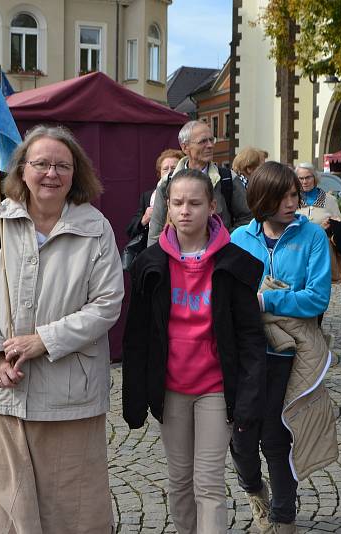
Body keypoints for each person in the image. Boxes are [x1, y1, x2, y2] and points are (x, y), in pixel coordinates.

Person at [0, 125, 124, 533]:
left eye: (61, 166)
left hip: (73, 398)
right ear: (22, 170)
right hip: (7, 395)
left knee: (73, 511)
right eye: (41, 164)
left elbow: (107, 305)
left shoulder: (95, 227)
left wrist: (44, 341)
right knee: (7, 511)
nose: (51, 173)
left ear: (75, 173)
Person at [122, 168, 266, 534]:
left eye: (195, 203)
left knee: (208, 481)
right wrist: (135, 396)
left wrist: (249, 399)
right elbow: (136, 338)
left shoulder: (232, 264)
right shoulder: (150, 264)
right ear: (167, 207)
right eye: (178, 203)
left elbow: (250, 337)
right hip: (170, 388)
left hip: (215, 387)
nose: (186, 210)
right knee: (180, 479)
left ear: (212, 206)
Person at [229, 161, 334, 534]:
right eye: (284, 195)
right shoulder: (239, 239)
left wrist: (264, 302)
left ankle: (283, 517)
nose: (293, 201)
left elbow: (316, 299)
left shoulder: (313, 237)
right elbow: (229, 298)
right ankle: (255, 491)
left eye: (296, 194)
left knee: (276, 437)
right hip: (248, 353)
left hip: (290, 354)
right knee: (241, 438)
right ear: (262, 198)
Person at [147, 120, 252, 246]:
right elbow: (156, 230)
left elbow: (247, 219)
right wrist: (156, 262)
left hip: (219, 257)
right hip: (178, 259)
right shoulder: (166, 183)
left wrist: (226, 242)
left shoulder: (228, 178)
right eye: (203, 141)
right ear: (185, 147)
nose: (210, 145)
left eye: (211, 140)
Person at [296, 163, 341, 283]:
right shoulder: (293, 200)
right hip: (299, 256)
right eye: (301, 178)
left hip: (324, 256)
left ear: (315, 177)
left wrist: (334, 224)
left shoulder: (329, 200)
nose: (304, 182)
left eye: (308, 177)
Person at [125, 149, 184, 243]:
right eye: (165, 169)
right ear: (159, 173)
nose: (169, 172)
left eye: (173, 168)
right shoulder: (148, 196)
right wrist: (144, 219)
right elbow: (130, 231)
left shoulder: (189, 194)